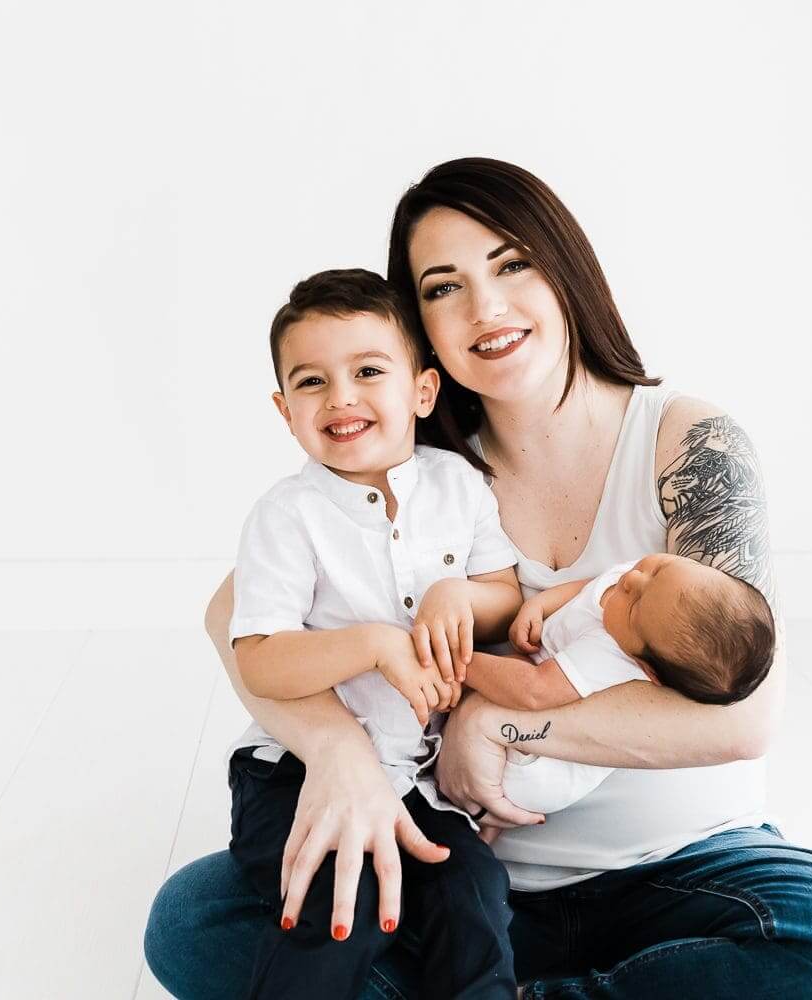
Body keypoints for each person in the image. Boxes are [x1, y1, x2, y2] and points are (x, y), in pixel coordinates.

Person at [146, 158, 812, 999]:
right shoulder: (414, 465)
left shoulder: (686, 443)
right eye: (443, 287)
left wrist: (501, 726)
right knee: (194, 922)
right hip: (458, 871)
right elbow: (232, 617)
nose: (485, 308)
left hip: (683, 869)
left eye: (511, 264)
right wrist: (340, 755)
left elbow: (745, 717)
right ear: (420, 337)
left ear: (565, 269)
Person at [225, 268, 523, 998]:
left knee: (474, 895)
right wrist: (373, 642)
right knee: (341, 906)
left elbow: (504, 598)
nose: (341, 397)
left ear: (422, 391)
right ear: (284, 410)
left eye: (367, 372)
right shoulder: (287, 515)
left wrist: (459, 593)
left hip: (419, 781)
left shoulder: (460, 485)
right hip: (295, 774)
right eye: (312, 382)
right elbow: (259, 660)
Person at [460, 553, 775, 816]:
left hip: (539, 770)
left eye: (634, 605)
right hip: (527, 700)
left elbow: (534, 689)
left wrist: (458, 664)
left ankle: (485, 815)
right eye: (660, 569)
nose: (632, 580)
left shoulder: (608, 653)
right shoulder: (648, 588)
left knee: (513, 681)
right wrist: (540, 605)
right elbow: (593, 588)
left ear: (645, 667)